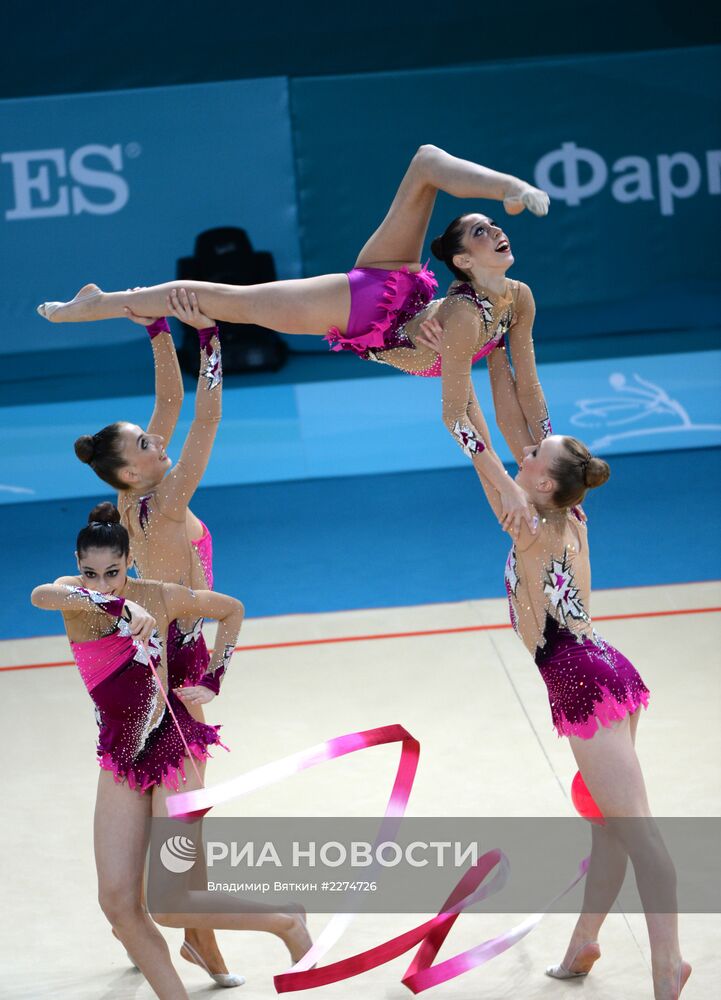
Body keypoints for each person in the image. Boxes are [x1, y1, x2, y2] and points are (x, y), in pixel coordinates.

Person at [38, 144, 553, 533]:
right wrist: (508, 485)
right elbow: (457, 413)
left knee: (422, 163)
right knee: (224, 299)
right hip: (366, 305)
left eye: (492, 228)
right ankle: (99, 304)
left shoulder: (519, 298)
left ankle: (101, 300)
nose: (494, 234)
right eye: (480, 231)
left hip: (404, 307)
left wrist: (545, 461)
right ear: (462, 261)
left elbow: (518, 396)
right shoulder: (465, 318)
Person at [418, 315, 691, 1000]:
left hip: (584, 682)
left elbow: (466, 427)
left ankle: (667, 966)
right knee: (607, 829)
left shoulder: (530, 524)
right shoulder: (566, 509)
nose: (526, 452)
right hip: (602, 670)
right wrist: (506, 335)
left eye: (535, 455)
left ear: (540, 483)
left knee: (638, 834)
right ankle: (584, 942)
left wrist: (459, 352)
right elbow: (522, 409)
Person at [31, 504, 311, 998]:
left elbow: (231, 610)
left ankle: (285, 919)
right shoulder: (73, 598)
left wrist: (213, 679)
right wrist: (116, 606)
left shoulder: (159, 595)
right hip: (121, 757)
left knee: (172, 902)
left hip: (173, 748)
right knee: (117, 903)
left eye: (113, 574)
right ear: (77, 564)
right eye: (90, 573)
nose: (101, 584)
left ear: (129, 562)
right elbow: (40, 595)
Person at [73, 290, 240, 982]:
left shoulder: (129, 496)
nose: (157, 441)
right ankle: (195, 936)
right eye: (144, 444)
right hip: (179, 662)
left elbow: (169, 409)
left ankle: (153, 926)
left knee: (176, 812)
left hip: (154, 657)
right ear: (130, 470)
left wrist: (155, 332)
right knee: (184, 818)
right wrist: (208, 339)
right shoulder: (165, 501)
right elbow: (204, 415)